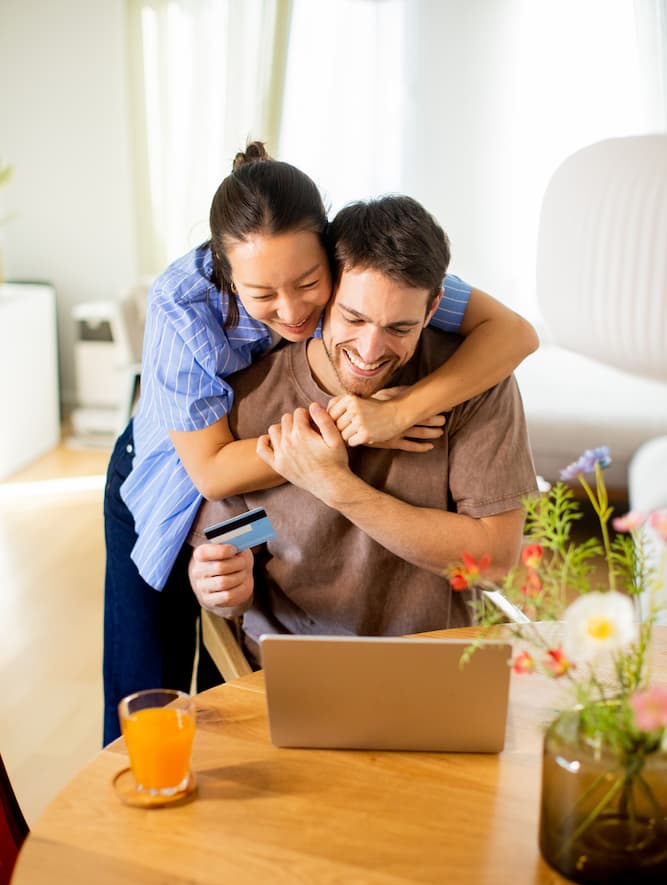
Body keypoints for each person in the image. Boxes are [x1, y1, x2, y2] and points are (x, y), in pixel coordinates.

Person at [103, 141, 537, 743]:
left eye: (308, 283)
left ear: (328, 262)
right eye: (353, 319)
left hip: (429, 675)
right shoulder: (201, 333)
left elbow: (514, 333)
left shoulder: (389, 284)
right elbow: (222, 491)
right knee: (147, 692)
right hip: (170, 468)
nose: (292, 311)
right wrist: (227, 568)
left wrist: (397, 414)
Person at [188, 195, 537, 663]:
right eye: (354, 318)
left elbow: (493, 561)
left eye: (399, 328)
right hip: (296, 666)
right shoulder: (252, 399)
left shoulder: (474, 383)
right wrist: (223, 584)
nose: (370, 352)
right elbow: (246, 534)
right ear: (327, 291)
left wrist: (336, 486)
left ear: (433, 308)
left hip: (436, 665)